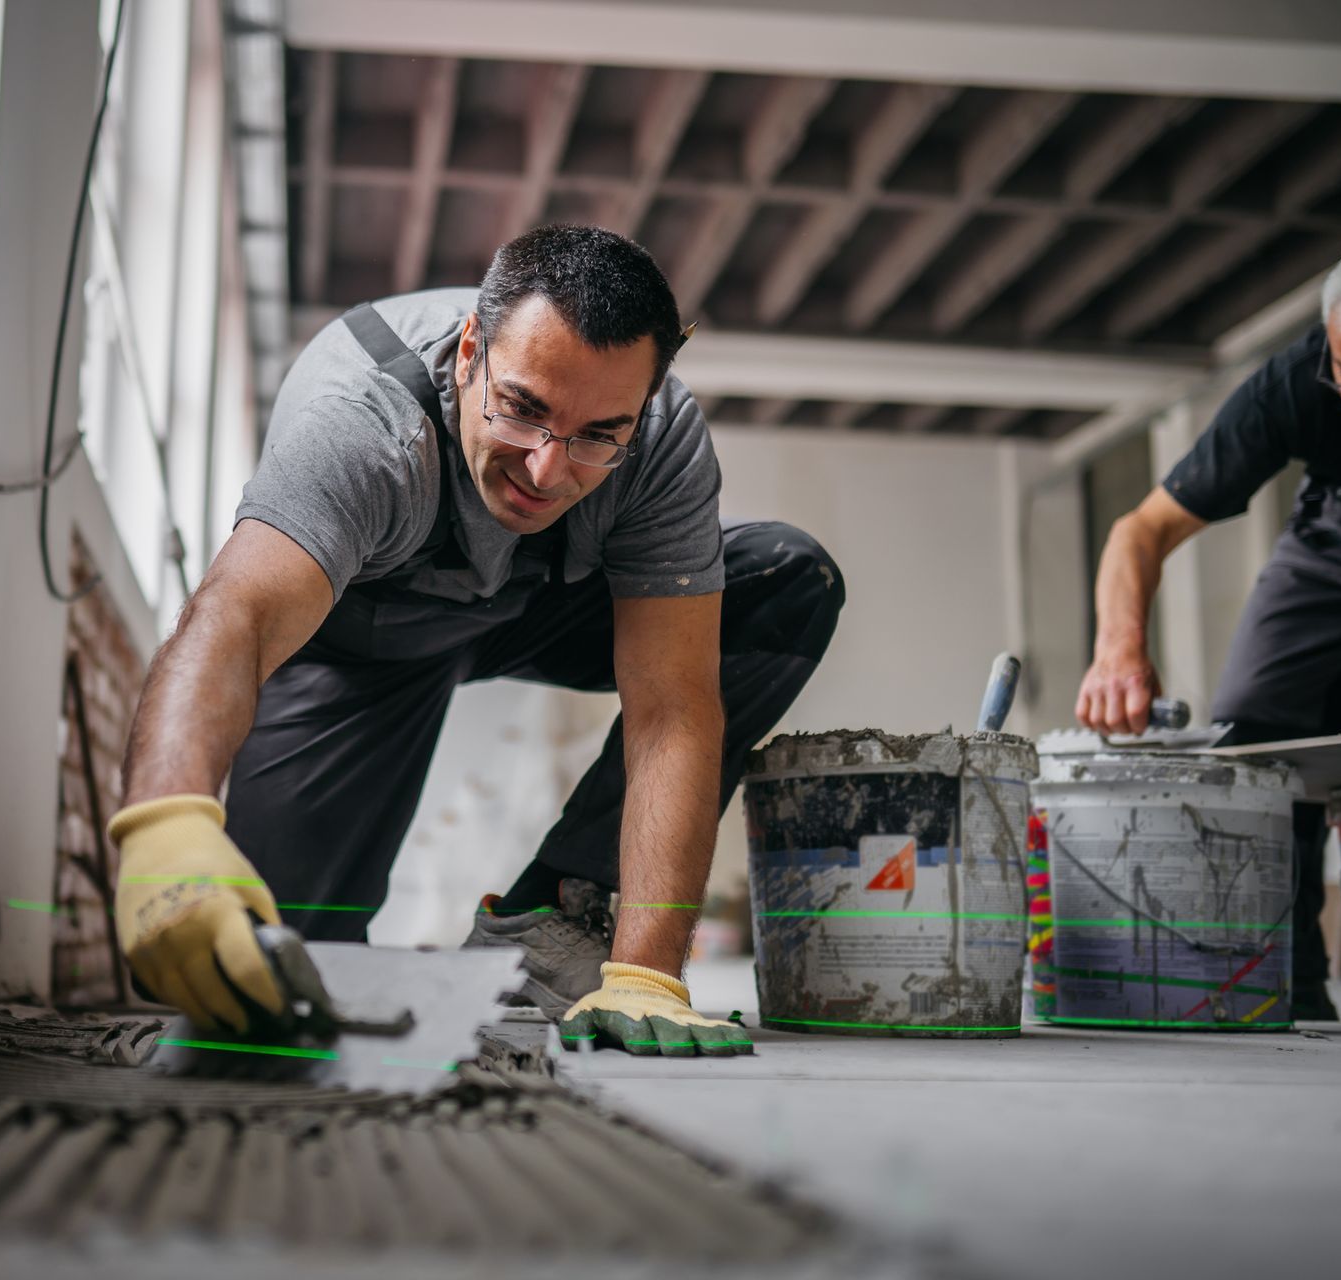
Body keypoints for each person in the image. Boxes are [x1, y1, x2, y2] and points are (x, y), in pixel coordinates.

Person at [108, 226, 843, 1056]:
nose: (545, 471)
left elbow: (672, 708)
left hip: (530, 610)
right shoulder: (364, 424)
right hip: (357, 650)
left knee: (784, 579)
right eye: (522, 411)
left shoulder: (660, 441)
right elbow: (234, 617)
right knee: (253, 962)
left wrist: (648, 973)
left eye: (598, 434)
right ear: (468, 353)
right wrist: (166, 822)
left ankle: (561, 920)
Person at [1076, 235, 1341, 1020]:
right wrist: (1118, 651)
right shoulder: (1289, 385)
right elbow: (1139, 532)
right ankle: (1292, 983)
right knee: (1255, 740)